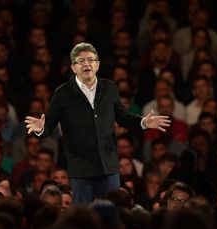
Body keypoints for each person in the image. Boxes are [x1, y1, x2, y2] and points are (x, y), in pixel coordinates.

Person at [25, 42, 170, 204]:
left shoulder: (109, 88)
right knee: (84, 217)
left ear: (98, 65)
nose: (86, 64)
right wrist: (40, 128)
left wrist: (143, 122)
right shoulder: (62, 94)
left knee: (113, 213)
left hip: (108, 167)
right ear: (73, 67)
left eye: (91, 59)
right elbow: (49, 126)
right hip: (81, 169)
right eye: (81, 60)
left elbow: (123, 117)